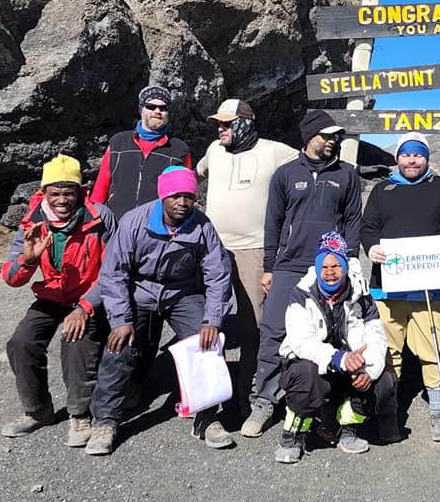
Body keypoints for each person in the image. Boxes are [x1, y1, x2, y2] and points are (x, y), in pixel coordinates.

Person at [84, 166, 234, 456]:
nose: (182, 202)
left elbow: (217, 274)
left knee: (205, 344)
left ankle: (205, 417)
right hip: (139, 291)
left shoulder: (202, 226)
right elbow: (114, 272)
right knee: (120, 347)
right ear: (162, 195)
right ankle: (105, 420)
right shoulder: (134, 222)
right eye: (175, 196)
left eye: (188, 196)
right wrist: (120, 320)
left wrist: (212, 320)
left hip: (182, 292)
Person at [250, 109, 364, 437]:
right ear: (309, 136)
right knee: (272, 330)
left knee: (331, 332)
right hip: (288, 264)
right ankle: (264, 401)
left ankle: (323, 402)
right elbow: (272, 221)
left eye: (336, 136)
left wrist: (351, 261)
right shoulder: (285, 174)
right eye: (327, 135)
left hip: (328, 266)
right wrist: (269, 267)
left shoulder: (347, 175)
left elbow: (352, 220)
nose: (333, 141)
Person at [193, 99, 296, 435]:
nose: (220, 130)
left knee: (254, 324)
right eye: (218, 124)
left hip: (254, 248)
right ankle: (209, 393)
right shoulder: (214, 149)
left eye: (227, 124)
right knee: (208, 320)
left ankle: (247, 391)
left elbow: (306, 162)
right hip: (211, 247)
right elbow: (197, 173)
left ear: (245, 123)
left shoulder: (274, 151)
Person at [0, 155, 115, 447]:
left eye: (69, 192)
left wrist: (85, 307)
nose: (62, 199)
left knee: (76, 340)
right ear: (44, 193)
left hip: (89, 296)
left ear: (80, 191)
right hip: (52, 293)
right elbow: (11, 277)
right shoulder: (33, 221)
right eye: (55, 193)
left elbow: (114, 270)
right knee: (21, 343)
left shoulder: (99, 218)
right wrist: (27, 260)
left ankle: (80, 413)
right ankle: (38, 410)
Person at [361, 131, 440, 442]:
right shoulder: (383, 190)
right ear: (397, 157)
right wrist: (372, 249)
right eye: (406, 154)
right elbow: (369, 226)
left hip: (429, 288)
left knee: (435, 349)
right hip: (387, 287)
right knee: (387, 351)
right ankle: (388, 411)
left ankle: (439, 411)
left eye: (418, 154)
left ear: (426, 157)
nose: (411, 159)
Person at [274, 232, 393, 463]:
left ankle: (345, 426)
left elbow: (377, 337)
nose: (330, 272)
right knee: (304, 374)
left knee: (385, 381)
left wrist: (368, 370)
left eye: (336, 265)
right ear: (317, 267)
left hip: (349, 368)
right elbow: (301, 341)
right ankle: (294, 432)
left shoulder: (362, 295)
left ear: (345, 266)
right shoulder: (300, 294)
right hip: (318, 367)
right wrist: (339, 358)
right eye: (324, 266)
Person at [90, 85, 193, 216]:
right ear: (141, 110)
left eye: (163, 108)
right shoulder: (118, 142)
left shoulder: (179, 150)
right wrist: (93, 218)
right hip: (117, 223)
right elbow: (101, 185)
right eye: (151, 107)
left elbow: (185, 192)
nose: (157, 111)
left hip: (156, 226)